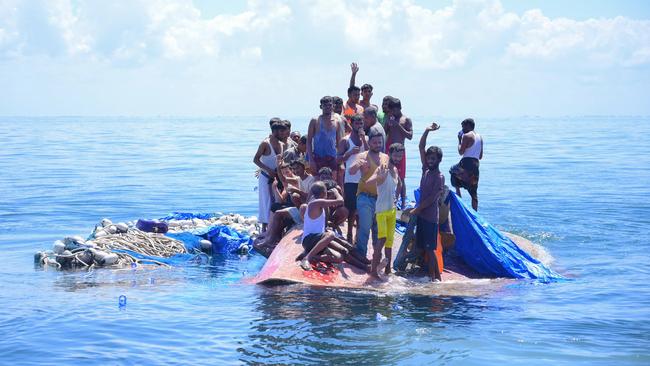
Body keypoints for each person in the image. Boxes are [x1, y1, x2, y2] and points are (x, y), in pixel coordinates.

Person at [296, 182, 370, 271]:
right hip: (309, 240)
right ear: (324, 193)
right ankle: (307, 258)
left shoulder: (315, 201)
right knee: (331, 235)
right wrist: (336, 192)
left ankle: (366, 265)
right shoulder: (316, 202)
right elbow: (341, 201)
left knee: (342, 253)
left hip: (319, 239)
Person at [411, 122, 444, 282]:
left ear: (439, 160)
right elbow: (420, 146)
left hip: (430, 218)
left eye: (433, 159)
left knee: (430, 250)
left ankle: (436, 279)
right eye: (429, 158)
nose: (430, 160)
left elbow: (432, 198)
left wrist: (417, 209)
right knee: (423, 248)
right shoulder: (425, 169)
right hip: (422, 216)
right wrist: (426, 131)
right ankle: (431, 275)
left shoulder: (439, 177)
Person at [366, 143, 403, 278]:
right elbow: (368, 182)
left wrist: (397, 198)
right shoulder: (383, 168)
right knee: (381, 240)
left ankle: (388, 270)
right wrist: (379, 177)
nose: (398, 158)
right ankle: (373, 271)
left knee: (389, 242)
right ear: (389, 154)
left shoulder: (396, 170)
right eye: (395, 155)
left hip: (392, 210)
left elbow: (399, 184)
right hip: (381, 210)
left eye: (400, 156)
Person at [349, 131, 388, 257]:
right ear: (369, 143)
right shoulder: (363, 156)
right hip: (365, 196)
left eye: (379, 142)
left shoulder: (385, 157)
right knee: (365, 228)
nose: (377, 144)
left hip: (380, 199)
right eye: (375, 142)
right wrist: (358, 164)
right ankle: (361, 255)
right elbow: (351, 170)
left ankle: (376, 257)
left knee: (378, 231)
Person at [337, 114, 368, 242]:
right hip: (350, 179)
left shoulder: (366, 138)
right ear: (352, 124)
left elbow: (371, 154)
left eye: (361, 123)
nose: (359, 126)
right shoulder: (345, 140)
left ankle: (358, 236)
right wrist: (349, 153)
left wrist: (364, 140)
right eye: (357, 123)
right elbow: (337, 159)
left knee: (361, 210)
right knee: (350, 209)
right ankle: (349, 233)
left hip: (364, 179)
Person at [253, 120, 288, 232]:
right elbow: (255, 159)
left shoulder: (282, 144)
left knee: (277, 201)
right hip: (265, 177)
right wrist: (268, 170)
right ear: (274, 132)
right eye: (281, 133)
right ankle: (264, 229)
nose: (284, 135)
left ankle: (274, 227)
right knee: (266, 201)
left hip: (278, 177)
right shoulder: (265, 144)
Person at [385, 97, 413, 208]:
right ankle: (390, 199)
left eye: (394, 110)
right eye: (391, 110)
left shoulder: (406, 120)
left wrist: (398, 126)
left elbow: (410, 136)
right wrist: (388, 124)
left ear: (399, 108)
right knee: (388, 174)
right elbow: (385, 132)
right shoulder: (389, 118)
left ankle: (403, 203)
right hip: (389, 151)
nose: (392, 112)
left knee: (401, 177)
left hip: (401, 151)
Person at [451, 118, 483, 211]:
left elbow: (461, 152)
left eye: (463, 127)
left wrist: (459, 140)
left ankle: (459, 197)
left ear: (468, 126)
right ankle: (476, 214)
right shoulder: (480, 137)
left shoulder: (466, 136)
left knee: (452, 170)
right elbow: (480, 156)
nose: (462, 129)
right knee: (474, 193)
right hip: (476, 165)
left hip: (466, 163)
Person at [307, 96, 342, 180]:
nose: (327, 107)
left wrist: (340, 161)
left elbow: (339, 143)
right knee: (318, 185)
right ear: (321, 106)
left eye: (330, 105)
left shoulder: (337, 122)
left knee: (332, 184)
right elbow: (308, 141)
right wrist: (311, 160)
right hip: (318, 158)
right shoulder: (315, 121)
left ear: (333, 106)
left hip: (332, 158)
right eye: (325, 105)